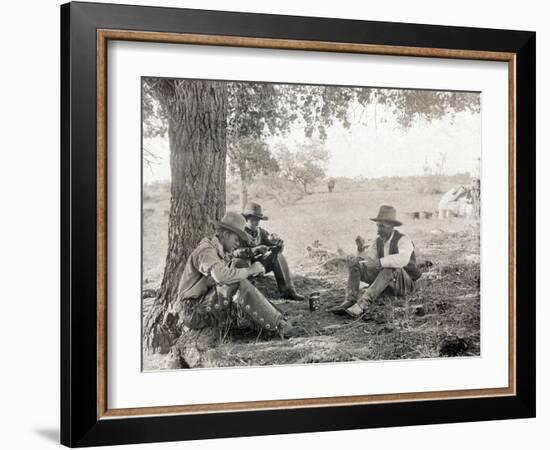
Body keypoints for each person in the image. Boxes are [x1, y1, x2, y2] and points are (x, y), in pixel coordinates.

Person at [176, 211, 299, 338]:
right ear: (225, 235)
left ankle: (280, 318)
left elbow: (232, 260)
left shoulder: (217, 249)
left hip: (202, 304)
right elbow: (221, 276)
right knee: (237, 282)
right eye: (236, 239)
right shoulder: (206, 251)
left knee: (238, 269)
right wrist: (251, 270)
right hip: (192, 311)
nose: (237, 243)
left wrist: (252, 256)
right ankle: (278, 326)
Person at [327, 205, 421, 318]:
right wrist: (360, 251)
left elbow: (403, 260)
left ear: (391, 226)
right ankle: (350, 300)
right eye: (378, 226)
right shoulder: (378, 241)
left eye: (382, 226)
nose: (378, 230)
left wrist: (379, 262)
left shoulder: (403, 240)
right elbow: (369, 260)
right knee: (356, 265)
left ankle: (363, 304)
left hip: (405, 285)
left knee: (389, 267)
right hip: (387, 283)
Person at [232, 202, 305, 301]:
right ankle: (246, 295)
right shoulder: (238, 233)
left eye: (258, 219)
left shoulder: (261, 232)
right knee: (239, 262)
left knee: (278, 256)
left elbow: (272, 246)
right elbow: (234, 252)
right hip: (244, 266)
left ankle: (288, 291)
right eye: (253, 219)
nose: (256, 222)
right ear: (246, 219)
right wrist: (253, 250)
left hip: (260, 266)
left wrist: (278, 245)